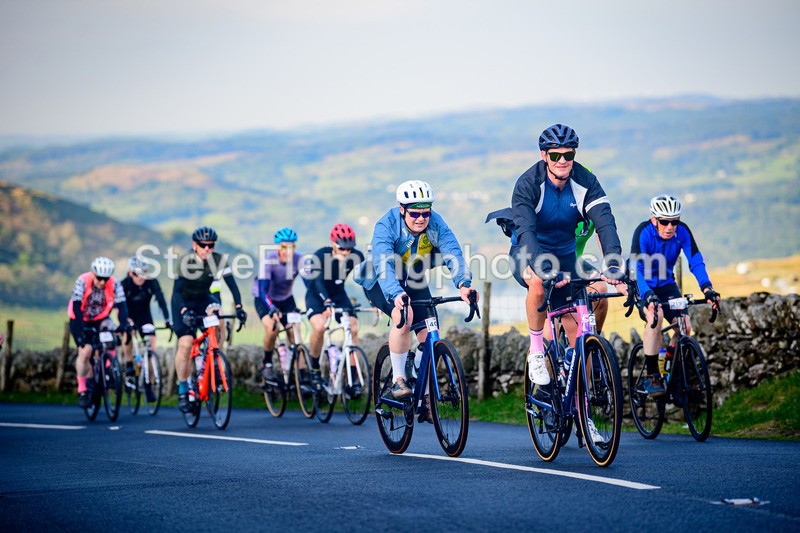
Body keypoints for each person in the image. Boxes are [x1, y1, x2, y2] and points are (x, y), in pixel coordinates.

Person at [509, 124, 626, 442]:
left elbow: (605, 224)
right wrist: (544, 268)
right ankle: (536, 351)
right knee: (537, 281)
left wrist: (613, 265)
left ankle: (583, 413)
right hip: (528, 251)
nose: (562, 160)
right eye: (555, 155)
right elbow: (527, 233)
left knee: (580, 333)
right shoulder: (528, 184)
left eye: (569, 154)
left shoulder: (585, 181)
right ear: (544, 155)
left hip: (565, 255)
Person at [357, 180, 476, 411]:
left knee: (431, 332)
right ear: (402, 209)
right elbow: (383, 265)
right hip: (381, 280)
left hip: (413, 277)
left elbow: (453, 252)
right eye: (414, 213)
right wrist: (396, 294)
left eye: (426, 213)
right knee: (405, 315)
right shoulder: (386, 225)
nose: (421, 218)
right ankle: (398, 379)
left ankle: (425, 393)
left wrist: (464, 285)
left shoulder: (436, 223)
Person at [631, 194, 721, 396]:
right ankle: (652, 376)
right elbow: (637, 269)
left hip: (666, 284)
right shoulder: (643, 232)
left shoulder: (682, 231)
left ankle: (673, 370)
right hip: (643, 285)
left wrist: (707, 288)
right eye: (664, 222)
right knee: (656, 316)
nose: (670, 227)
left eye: (674, 221)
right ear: (654, 219)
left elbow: (695, 261)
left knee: (685, 327)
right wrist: (647, 296)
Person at [171, 226, 247, 413]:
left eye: (210, 245)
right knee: (186, 344)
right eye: (203, 245)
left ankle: (215, 359)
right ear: (194, 245)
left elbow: (233, 286)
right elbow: (177, 292)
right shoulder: (186, 262)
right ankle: (183, 389)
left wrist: (239, 307)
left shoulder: (218, 260)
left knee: (218, 316)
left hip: (203, 299)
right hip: (183, 302)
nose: (207, 249)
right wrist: (184, 311)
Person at [305, 223, 364, 389]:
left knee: (353, 327)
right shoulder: (320, 255)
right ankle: (314, 370)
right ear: (332, 244)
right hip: (317, 295)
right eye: (341, 248)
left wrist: (374, 302)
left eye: (349, 249)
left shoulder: (356, 256)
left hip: (338, 295)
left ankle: (352, 376)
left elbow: (366, 282)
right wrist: (326, 301)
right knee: (319, 328)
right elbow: (317, 282)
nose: (345, 253)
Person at [68, 257, 130, 408]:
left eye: (105, 279)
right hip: (79, 318)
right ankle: (82, 389)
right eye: (99, 278)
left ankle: (109, 368)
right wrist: (83, 328)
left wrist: (123, 324)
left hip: (100, 318)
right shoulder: (83, 280)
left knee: (110, 336)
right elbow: (76, 305)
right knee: (86, 351)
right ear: (93, 274)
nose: (102, 282)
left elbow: (122, 305)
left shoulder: (115, 283)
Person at [252, 227, 304, 382]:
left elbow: (310, 283)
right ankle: (267, 363)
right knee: (272, 328)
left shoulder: (298, 260)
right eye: (284, 247)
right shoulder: (269, 261)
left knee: (295, 333)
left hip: (286, 298)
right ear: (277, 247)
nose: (288, 251)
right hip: (264, 299)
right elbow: (262, 291)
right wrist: (271, 308)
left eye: (291, 247)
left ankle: (301, 374)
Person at [120, 257, 171, 385]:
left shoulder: (151, 282)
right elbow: (118, 308)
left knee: (151, 348)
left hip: (145, 317)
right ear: (130, 273)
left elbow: (161, 301)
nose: (140, 277)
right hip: (129, 315)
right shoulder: (124, 284)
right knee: (128, 334)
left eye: (143, 273)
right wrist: (125, 321)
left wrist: (167, 319)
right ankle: (129, 363)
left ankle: (149, 381)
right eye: (137, 274)